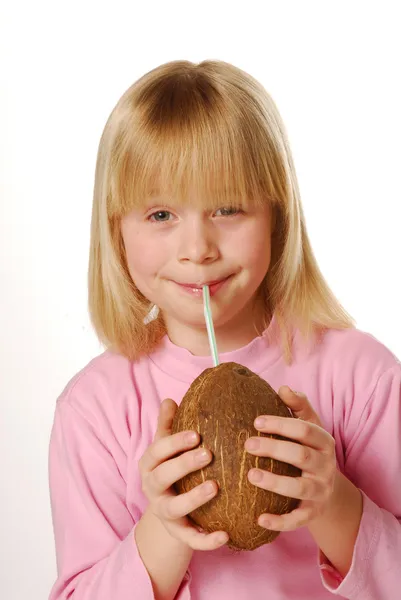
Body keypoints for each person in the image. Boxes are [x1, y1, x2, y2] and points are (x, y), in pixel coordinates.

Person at [48, 59, 401, 600]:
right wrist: (163, 531)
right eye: (161, 215)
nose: (198, 249)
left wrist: (334, 503)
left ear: (278, 216)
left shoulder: (362, 377)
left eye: (228, 208)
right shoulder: (96, 409)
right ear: (115, 229)